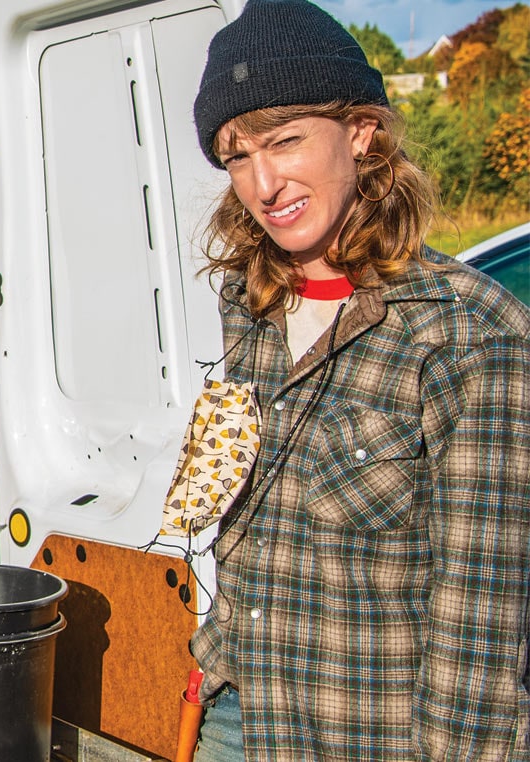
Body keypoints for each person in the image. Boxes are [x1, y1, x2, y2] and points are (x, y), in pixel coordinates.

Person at [186, 0, 530, 759]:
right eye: (236, 155)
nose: (264, 182)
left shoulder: (469, 335)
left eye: (284, 141)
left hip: (367, 738)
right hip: (236, 722)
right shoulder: (248, 302)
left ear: (362, 132)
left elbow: (481, 630)